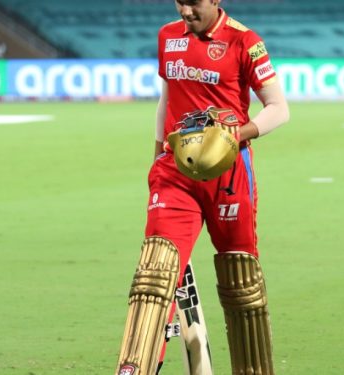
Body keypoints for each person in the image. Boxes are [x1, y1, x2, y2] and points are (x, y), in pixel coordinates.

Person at [115, 0, 290, 374]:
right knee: (155, 276)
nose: (184, 12)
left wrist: (234, 136)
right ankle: (134, 369)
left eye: (193, 4)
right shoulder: (168, 37)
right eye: (179, 2)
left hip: (229, 175)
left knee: (240, 279)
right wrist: (158, 154)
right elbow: (167, 98)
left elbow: (278, 107)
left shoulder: (245, 42)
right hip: (175, 172)